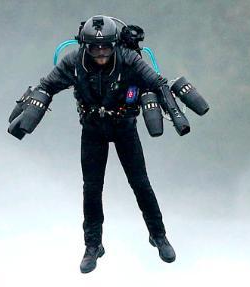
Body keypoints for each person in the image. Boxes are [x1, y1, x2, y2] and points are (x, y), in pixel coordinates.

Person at [14, 15, 176, 273]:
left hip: (124, 128)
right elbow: (47, 85)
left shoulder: (129, 59)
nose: (100, 53)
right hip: (92, 131)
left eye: (105, 47)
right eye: (94, 48)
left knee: (141, 183)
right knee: (92, 189)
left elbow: (157, 82)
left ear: (114, 45)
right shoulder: (73, 62)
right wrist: (31, 106)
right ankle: (92, 246)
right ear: (85, 47)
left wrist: (174, 110)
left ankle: (158, 235)